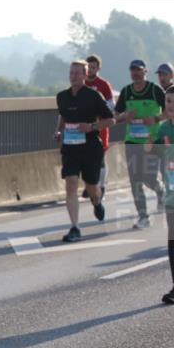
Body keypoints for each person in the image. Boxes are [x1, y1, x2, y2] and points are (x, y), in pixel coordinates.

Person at [54, 60, 113, 242]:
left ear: (85, 75)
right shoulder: (62, 96)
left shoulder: (93, 96)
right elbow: (63, 115)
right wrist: (57, 130)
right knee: (71, 184)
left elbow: (111, 120)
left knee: (92, 186)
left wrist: (92, 126)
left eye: (78, 73)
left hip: (90, 148)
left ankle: (97, 201)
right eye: (71, 73)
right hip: (70, 148)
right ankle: (75, 227)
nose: (74, 76)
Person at [114, 59, 166, 228]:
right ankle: (143, 216)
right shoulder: (126, 91)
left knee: (148, 178)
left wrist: (156, 118)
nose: (135, 73)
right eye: (132, 70)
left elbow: (170, 111)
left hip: (152, 142)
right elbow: (115, 116)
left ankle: (159, 190)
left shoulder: (154, 90)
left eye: (138, 70)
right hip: (132, 142)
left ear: (145, 72)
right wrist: (124, 117)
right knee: (135, 179)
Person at [145, 85, 174, 304]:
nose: (170, 106)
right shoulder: (164, 128)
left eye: (173, 102)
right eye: (168, 102)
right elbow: (153, 151)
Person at [83, 54, 115, 198]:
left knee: (100, 157)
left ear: (98, 68)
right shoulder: (81, 83)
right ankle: (89, 185)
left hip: (100, 125)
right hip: (84, 126)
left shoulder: (103, 84)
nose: (90, 70)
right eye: (88, 67)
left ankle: (101, 185)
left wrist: (97, 109)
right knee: (85, 158)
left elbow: (111, 105)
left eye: (93, 67)